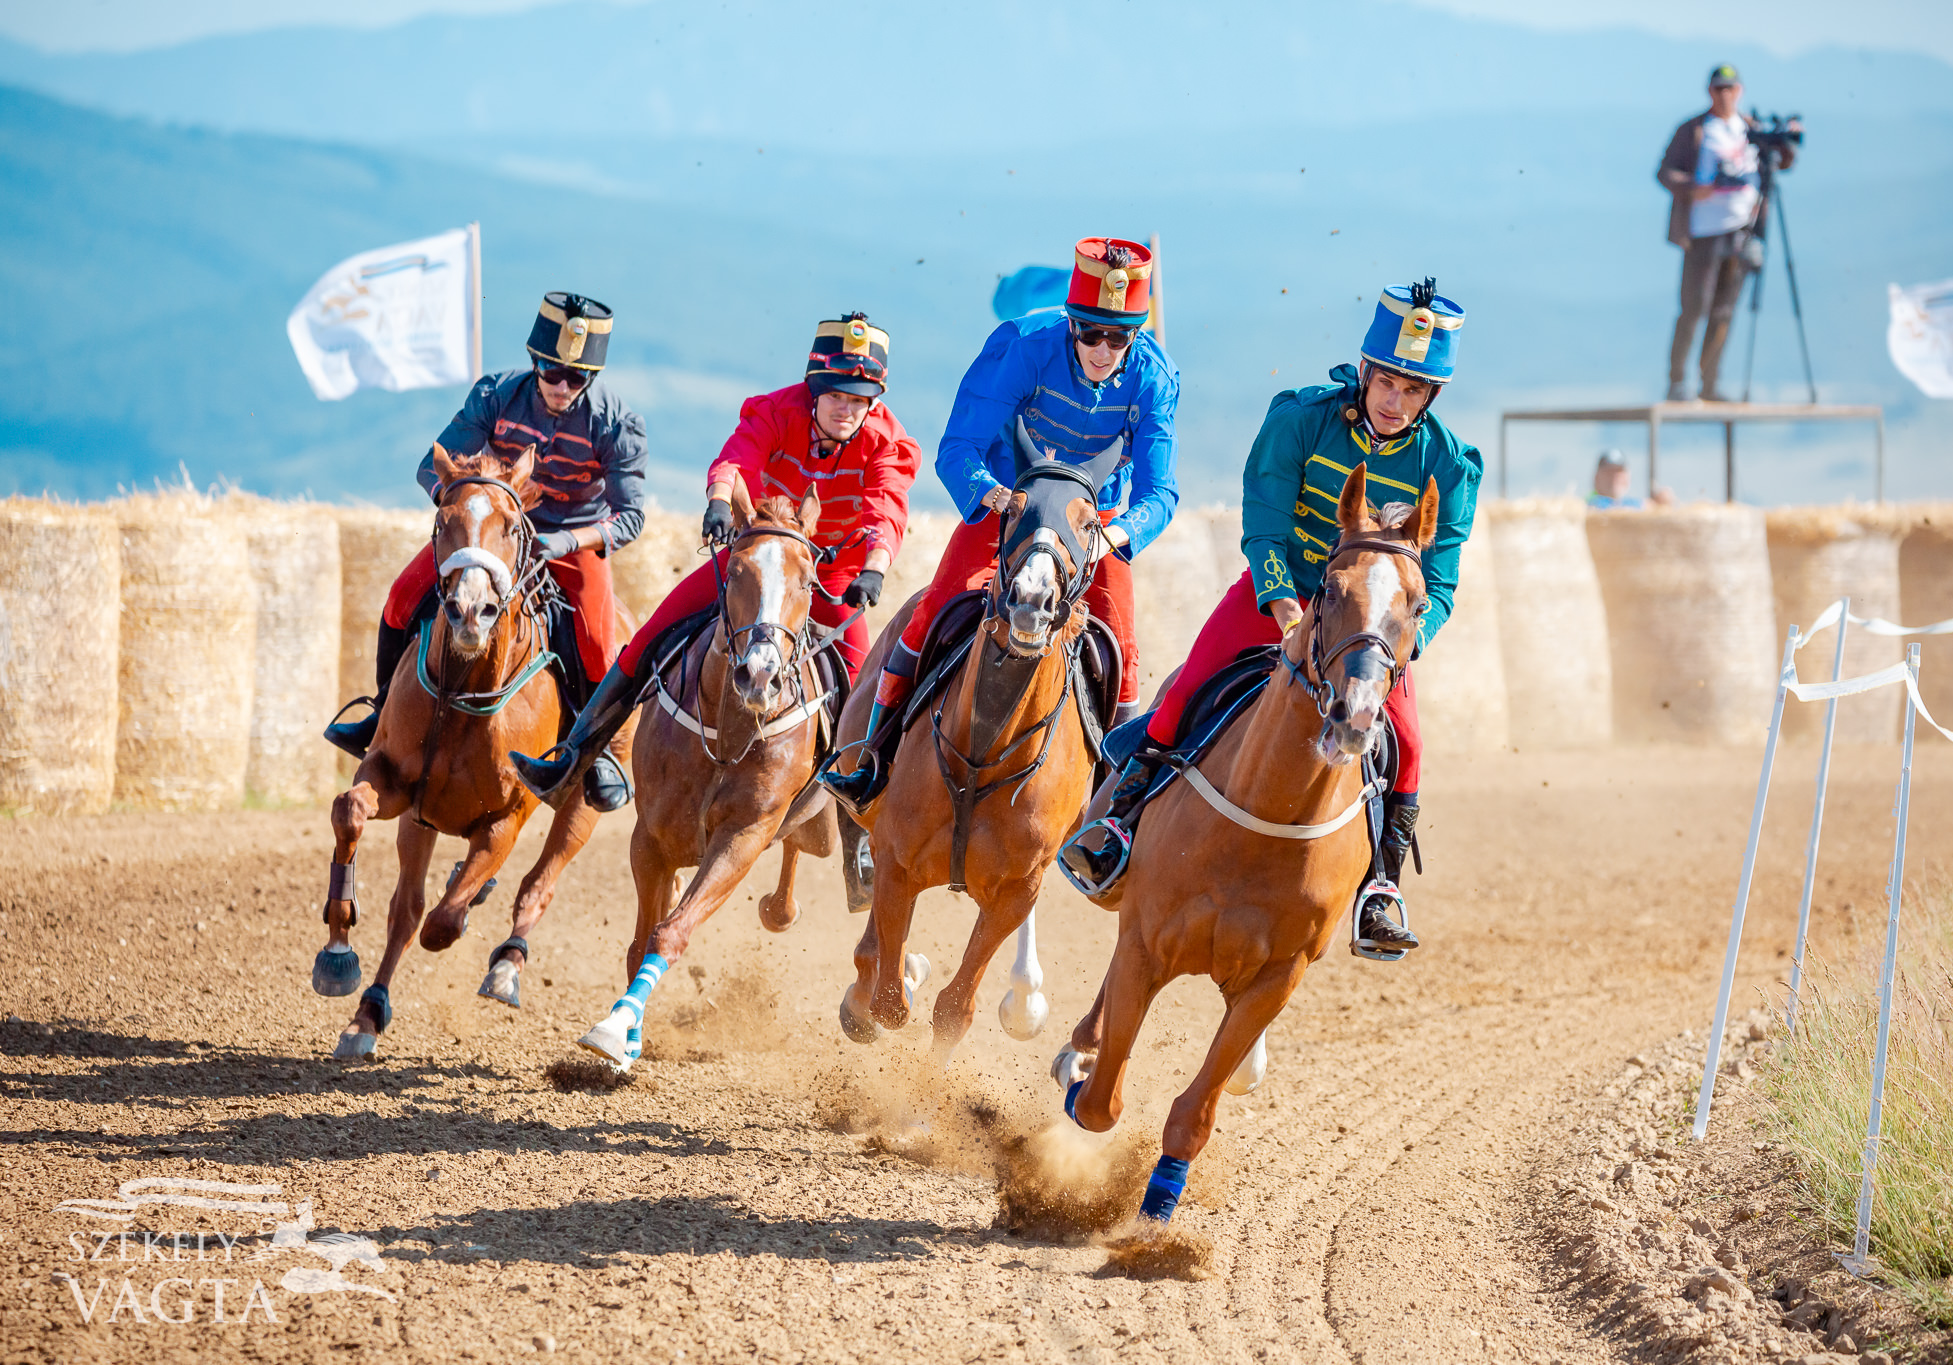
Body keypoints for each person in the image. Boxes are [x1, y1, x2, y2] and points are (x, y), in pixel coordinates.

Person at [1060, 280, 1479, 956]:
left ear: (1432, 396)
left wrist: (1403, 645)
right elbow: (1264, 525)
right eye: (1389, 383)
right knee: (1190, 686)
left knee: (1408, 743)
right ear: (1366, 371)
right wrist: (1284, 602)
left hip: (1369, 626)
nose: (1396, 401)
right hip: (1281, 595)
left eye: (1415, 390)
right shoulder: (1300, 419)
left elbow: (1441, 580)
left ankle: (1381, 887)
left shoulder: (1452, 466)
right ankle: (1123, 820)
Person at [821, 237, 1180, 809]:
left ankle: (1115, 806)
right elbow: (958, 446)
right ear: (1071, 321)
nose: (1104, 349)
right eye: (1090, 332)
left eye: (1119, 337)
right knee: (937, 606)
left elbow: (1161, 491)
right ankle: (875, 756)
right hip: (1010, 499)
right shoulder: (1022, 346)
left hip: (1093, 519)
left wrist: (1117, 533)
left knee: (1125, 647)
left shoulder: (1156, 377)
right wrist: (991, 495)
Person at [511, 313, 921, 807]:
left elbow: (887, 508)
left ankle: (861, 801)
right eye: (837, 395)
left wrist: (874, 567)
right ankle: (571, 759)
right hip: (752, 560)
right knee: (646, 640)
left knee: (859, 685)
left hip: (829, 575)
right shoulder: (774, 410)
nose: (847, 409)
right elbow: (737, 458)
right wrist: (720, 502)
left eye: (860, 400)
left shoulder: (889, 441)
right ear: (815, 389)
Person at [325, 291, 647, 810]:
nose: (563, 386)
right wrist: (462, 512)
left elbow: (630, 517)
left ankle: (594, 752)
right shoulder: (495, 393)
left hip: (568, 538)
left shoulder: (616, 424)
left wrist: (565, 541)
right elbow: (433, 465)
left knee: (595, 639)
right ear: (535, 361)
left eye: (577, 377)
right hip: (486, 529)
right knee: (402, 598)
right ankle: (381, 711)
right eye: (553, 372)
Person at [1659, 64, 1796, 403]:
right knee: (1694, 308)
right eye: (1719, 89)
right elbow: (1664, 172)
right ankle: (1678, 381)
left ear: (1740, 91)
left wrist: (1786, 141)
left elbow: (1781, 164)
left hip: (1742, 233)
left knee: (1724, 311)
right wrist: (1694, 189)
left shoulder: (1750, 129)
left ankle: (1710, 382)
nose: (1725, 95)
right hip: (1703, 232)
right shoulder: (1695, 130)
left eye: (1730, 89)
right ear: (1710, 92)